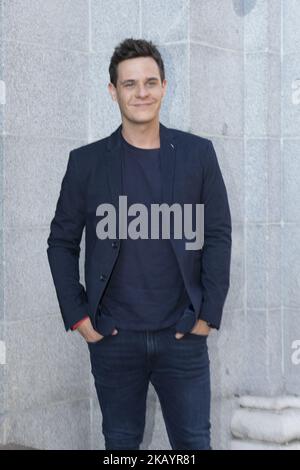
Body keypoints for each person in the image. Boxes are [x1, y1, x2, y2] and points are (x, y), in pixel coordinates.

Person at [47, 38, 232, 450]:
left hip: (182, 334)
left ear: (165, 86)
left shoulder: (198, 154)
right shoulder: (86, 162)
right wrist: (78, 316)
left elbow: (218, 234)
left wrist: (208, 314)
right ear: (113, 91)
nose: (141, 92)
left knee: (194, 445)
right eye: (130, 84)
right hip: (114, 337)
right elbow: (61, 242)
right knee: (121, 445)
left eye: (150, 82)